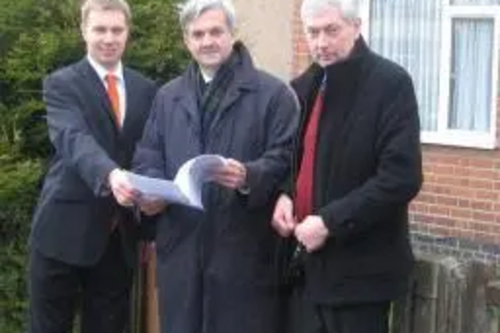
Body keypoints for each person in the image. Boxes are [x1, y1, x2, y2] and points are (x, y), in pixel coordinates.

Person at [123, 0, 299, 332]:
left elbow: (287, 160)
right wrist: (151, 193)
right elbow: (147, 157)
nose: (207, 41)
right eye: (198, 34)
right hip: (181, 253)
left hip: (244, 255)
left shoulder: (273, 94)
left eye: (216, 31)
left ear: (232, 34)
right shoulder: (167, 97)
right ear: (186, 41)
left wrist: (249, 175)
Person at [271, 0, 423, 332]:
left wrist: (329, 222)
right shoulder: (303, 87)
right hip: (304, 274)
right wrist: (285, 195)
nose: (321, 42)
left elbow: (401, 177)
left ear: (356, 27)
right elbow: (294, 159)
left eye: (332, 30)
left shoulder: (390, 84)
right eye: (313, 32)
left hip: (360, 279)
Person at [28, 0, 157, 332]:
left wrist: (152, 217)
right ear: (84, 30)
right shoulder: (62, 84)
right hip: (61, 234)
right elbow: (73, 139)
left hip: (118, 239)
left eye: (117, 29)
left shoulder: (147, 90)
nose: (109, 38)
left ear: (128, 33)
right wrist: (110, 174)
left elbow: (149, 154)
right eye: (100, 29)